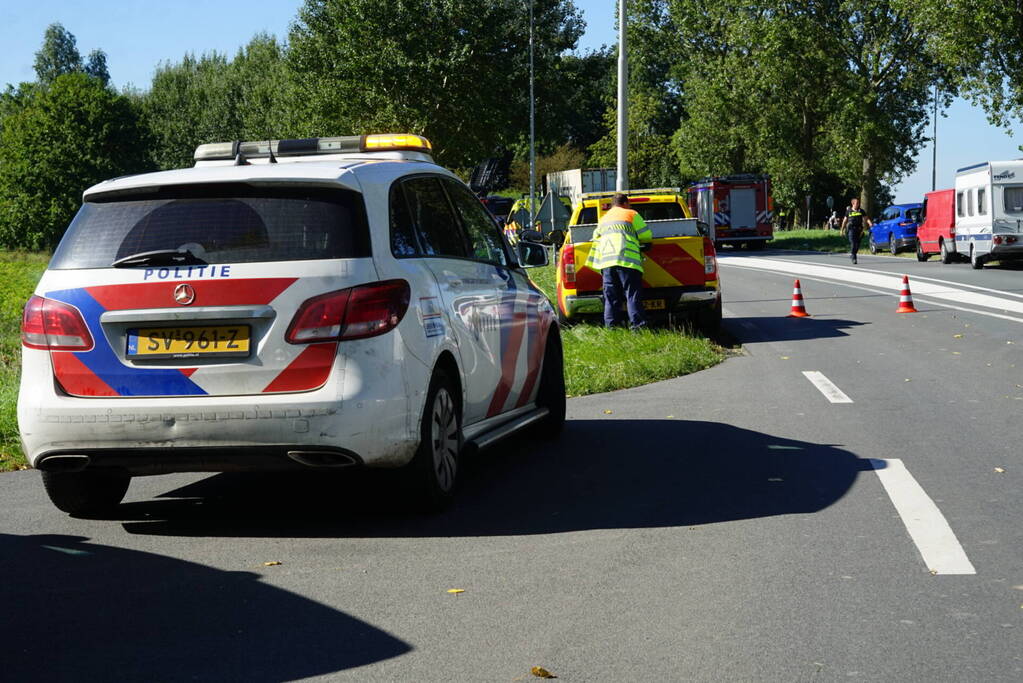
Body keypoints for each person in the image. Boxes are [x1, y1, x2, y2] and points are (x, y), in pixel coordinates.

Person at [585, 193, 653, 328]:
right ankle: (638, 327)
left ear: (613, 204)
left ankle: (612, 328)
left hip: (607, 264)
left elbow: (595, 236)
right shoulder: (631, 214)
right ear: (625, 203)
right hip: (627, 261)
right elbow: (646, 235)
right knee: (632, 295)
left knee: (611, 298)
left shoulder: (604, 218)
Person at [841, 197, 872, 264]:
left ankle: (852, 254)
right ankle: (854, 257)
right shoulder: (849, 211)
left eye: (858, 203)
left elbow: (866, 218)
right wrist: (842, 230)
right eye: (857, 203)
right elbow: (844, 221)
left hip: (859, 230)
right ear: (853, 204)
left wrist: (870, 223)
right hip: (851, 229)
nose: (858, 204)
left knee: (857, 245)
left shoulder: (861, 211)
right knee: (853, 243)